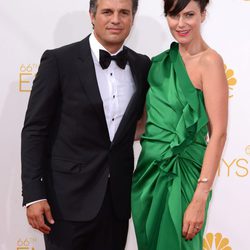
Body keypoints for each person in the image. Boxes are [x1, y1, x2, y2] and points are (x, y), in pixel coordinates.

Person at [21, 0, 151, 249]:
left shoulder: (142, 65)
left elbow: (134, 125)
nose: (116, 19)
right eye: (107, 12)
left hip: (117, 203)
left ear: (132, 19)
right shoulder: (59, 61)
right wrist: (33, 194)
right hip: (66, 200)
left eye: (124, 12)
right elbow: (34, 130)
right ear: (92, 16)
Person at [132, 0, 228, 249]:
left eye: (189, 15)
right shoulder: (158, 63)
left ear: (203, 15)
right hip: (148, 175)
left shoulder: (210, 62)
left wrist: (200, 197)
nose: (181, 23)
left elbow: (217, 134)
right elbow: (145, 125)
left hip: (184, 177)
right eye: (174, 15)